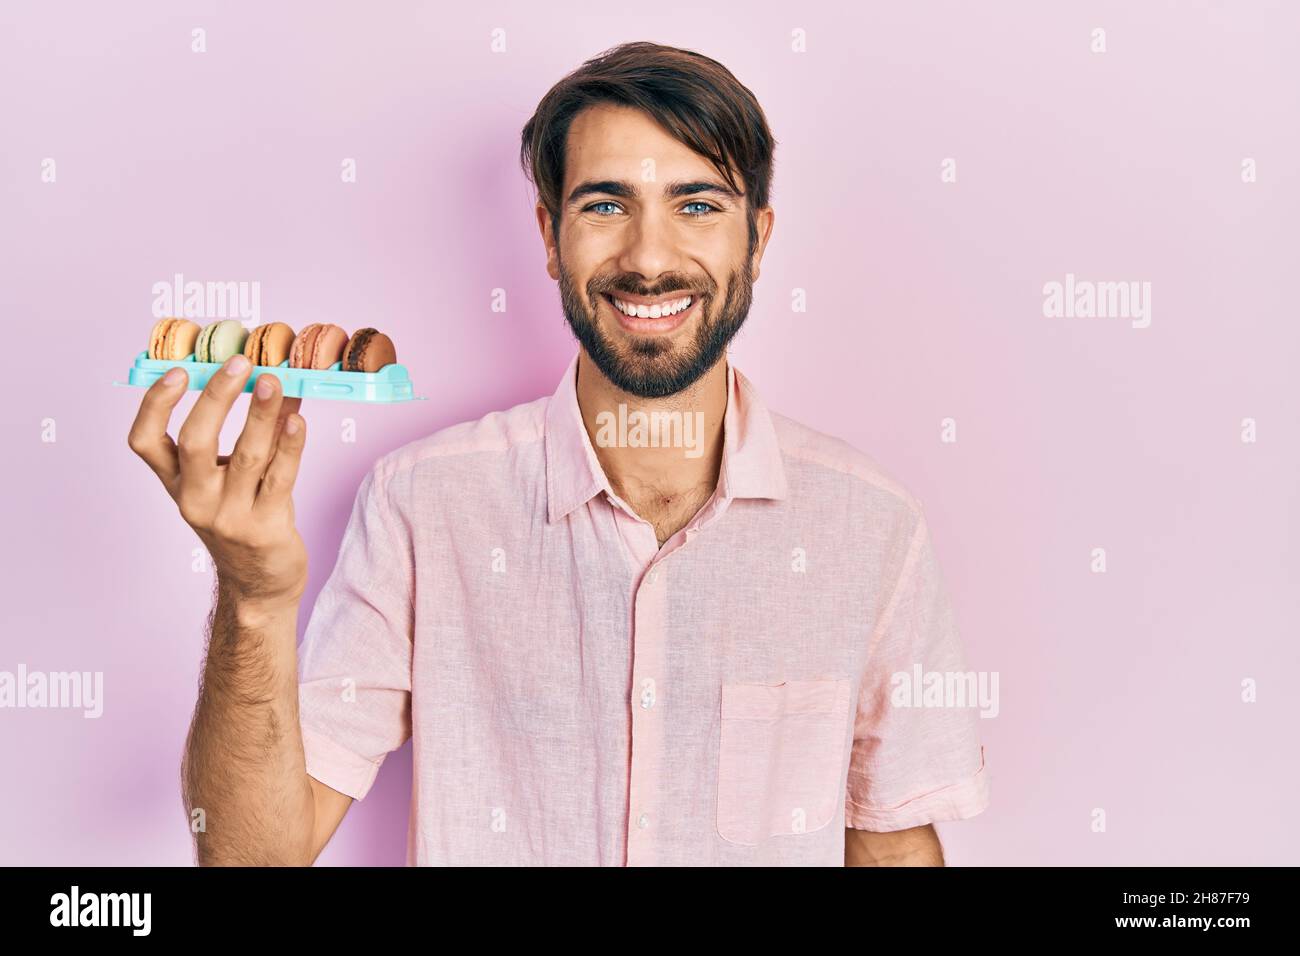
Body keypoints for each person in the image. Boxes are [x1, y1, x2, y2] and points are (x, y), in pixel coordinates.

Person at [128, 40, 989, 867]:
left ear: (757, 238)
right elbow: (251, 858)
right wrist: (252, 597)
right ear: (549, 236)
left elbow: (890, 847)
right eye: (605, 205)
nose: (649, 259)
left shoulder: (871, 528)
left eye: (698, 205)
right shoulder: (420, 505)